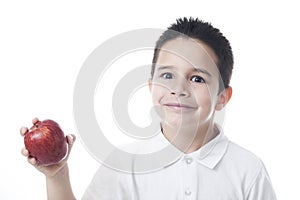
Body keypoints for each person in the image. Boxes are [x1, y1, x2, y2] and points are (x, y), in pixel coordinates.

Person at [20, 17, 277, 199]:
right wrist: (57, 176)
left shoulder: (248, 170)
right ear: (151, 85)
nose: (179, 89)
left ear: (222, 97)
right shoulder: (124, 164)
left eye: (197, 78)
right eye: (167, 76)